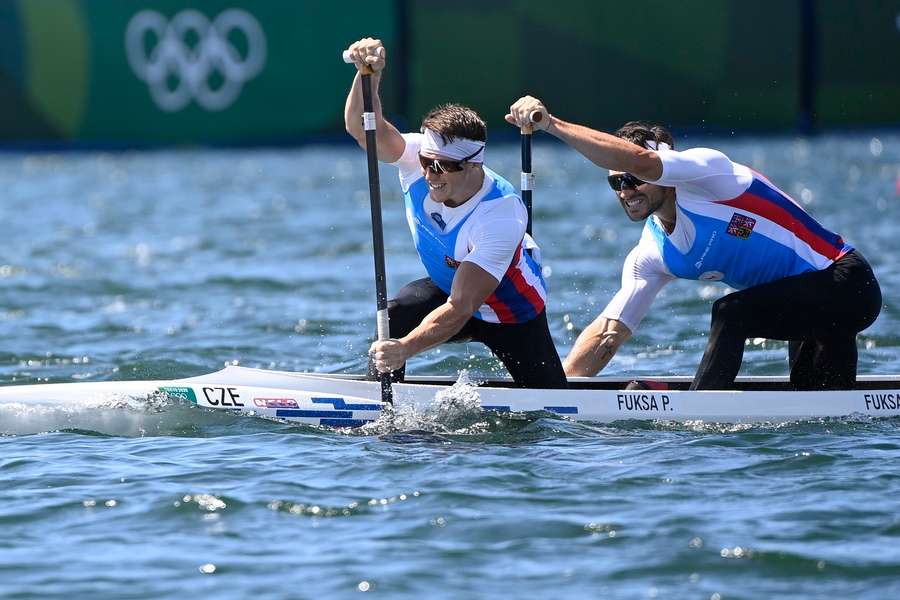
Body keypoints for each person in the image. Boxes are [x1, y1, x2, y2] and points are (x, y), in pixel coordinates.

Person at [506, 96, 881, 390]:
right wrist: (557, 393)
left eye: (634, 179)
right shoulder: (651, 255)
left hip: (846, 283)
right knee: (822, 415)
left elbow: (642, 159)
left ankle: (701, 413)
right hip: (802, 306)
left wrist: (551, 125)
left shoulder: (709, 173)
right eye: (617, 183)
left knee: (729, 313)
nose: (626, 191)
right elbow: (609, 332)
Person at [343, 39, 567, 388]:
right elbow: (363, 129)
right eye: (427, 163)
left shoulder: (500, 213)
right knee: (396, 312)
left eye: (443, 167)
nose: (430, 174)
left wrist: (404, 349)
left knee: (551, 405)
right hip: (450, 288)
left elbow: (462, 307)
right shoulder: (417, 158)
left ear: (473, 165)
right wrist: (367, 76)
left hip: (510, 311)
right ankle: (382, 410)